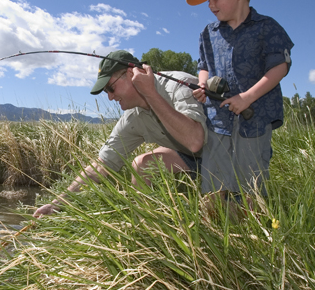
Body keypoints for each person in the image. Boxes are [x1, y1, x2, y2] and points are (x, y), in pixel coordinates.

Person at [34, 50, 207, 218]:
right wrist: (56, 205)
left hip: (225, 153)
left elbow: (195, 140)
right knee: (142, 165)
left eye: (111, 88)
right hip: (192, 157)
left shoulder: (179, 85)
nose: (110, 97)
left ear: (131, 73)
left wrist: (150, 94)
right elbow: (102, 164)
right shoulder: (133, 118)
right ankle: (146, 228)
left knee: (215, 210)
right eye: (105, 92)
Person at [186, 0, 294, 206]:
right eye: (207, 0)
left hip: (254, 119)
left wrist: (247, 97)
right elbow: (204, 65)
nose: (210, 5)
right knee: (213, 184)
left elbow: (280, 67)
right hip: (218, 120)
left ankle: (250, 238)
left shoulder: (267, 27)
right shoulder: (208, 33)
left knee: (251, 185)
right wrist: (203, 85)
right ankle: (213, 233)